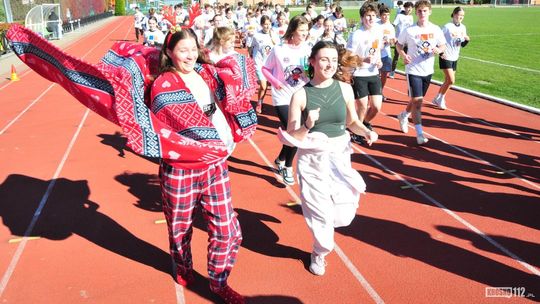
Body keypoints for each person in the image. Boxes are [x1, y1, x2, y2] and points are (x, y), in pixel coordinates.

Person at [278, 41, 378, 276]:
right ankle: (320, 251)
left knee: (344, 214)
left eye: (333, 60)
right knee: (320, 214)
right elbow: (291, 137)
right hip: (312, 159)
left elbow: (352, 122)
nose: (330, 64)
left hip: (339, 156)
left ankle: (323, 233)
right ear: (312, 62)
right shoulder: (300, 95)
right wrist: (307, 125)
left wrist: (367, 132)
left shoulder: (344, 88)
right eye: (324, 59)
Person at [262, 15, 311, 186]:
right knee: (295, 131)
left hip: (302, 95)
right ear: (293, 30)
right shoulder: (279, 49)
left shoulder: (307, 48)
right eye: (302, 30)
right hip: (282, 96)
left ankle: (281, 159)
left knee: (296, 133)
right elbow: (265, 69)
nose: (305, 34)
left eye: (307, 30)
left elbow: (310, 72)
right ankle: (288, 168)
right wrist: (275, 82)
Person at [395, 0, 446, 145]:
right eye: (419, 11)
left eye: (424, 11)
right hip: (413, 70)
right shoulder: (409, 30)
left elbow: (442, 45)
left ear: (429, 11)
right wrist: (403, 56)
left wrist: (439, 49)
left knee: (415, 100)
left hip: (428, 71)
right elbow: (398, 45)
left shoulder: (436, 29)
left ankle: (403, 115)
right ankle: (419, 134)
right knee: (418, 102)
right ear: (416, 13)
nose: (422, 13)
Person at [346, 2, 383, 144]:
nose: (371, 18)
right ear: (362, 18)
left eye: (374, 15)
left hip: (373, 73)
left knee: (376, 107)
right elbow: (348, 57)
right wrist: (363, 59)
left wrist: (378, 61)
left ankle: (364, 123)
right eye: (368, 16)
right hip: (359, 74)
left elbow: (376, 51)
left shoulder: (378, 31)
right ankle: (357, 132)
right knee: (362, 105)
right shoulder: (356, 35)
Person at [432, 6, 470, 110]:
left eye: (462, 16)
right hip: (445, 56)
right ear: (453, 14)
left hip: (455, 57)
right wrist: (440, 52)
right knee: (451, 80)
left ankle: (438, 98)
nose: (460, 17)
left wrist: (467, 40)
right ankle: (441, 98)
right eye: (459, 15)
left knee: (447, 81)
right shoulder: (447, 27)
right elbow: (437, 39)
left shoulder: (463, 27)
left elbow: (461, 44)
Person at [251, 15, 280, 113]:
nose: (267, 26)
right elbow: (251, 47)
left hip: (270, 65)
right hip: (259, 64)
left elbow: (278, 48)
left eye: (269, 24)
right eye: (265, 24)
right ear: (261, 25)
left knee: (268, 86)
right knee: (263, 86)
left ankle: (261, 101)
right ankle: (259, 103)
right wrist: (251, 57)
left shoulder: (274, 34)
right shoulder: (256, 35)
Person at [391, 1, 413, 78]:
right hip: (399, 40)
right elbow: (393, 25)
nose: (409, 9)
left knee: (407, 57)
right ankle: (392, 71)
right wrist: (393, 37)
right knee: (396, 57)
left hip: (408, 41)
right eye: (408, 8)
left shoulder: (411, 17)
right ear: (405, 8)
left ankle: (408, 73)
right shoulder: (399, 16)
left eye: (411, 8)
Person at [378, 5, 396, 99]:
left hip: (386, 54)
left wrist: (391, 41)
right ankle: (374, 92)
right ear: (380, 15)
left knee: (384, 74)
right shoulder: (375, 25)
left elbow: (393, 41)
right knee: (375, 75)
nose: (386, 17)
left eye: (388, 15)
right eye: (384, 15)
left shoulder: (391, 27)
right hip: (375, 54)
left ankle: (380, 92)